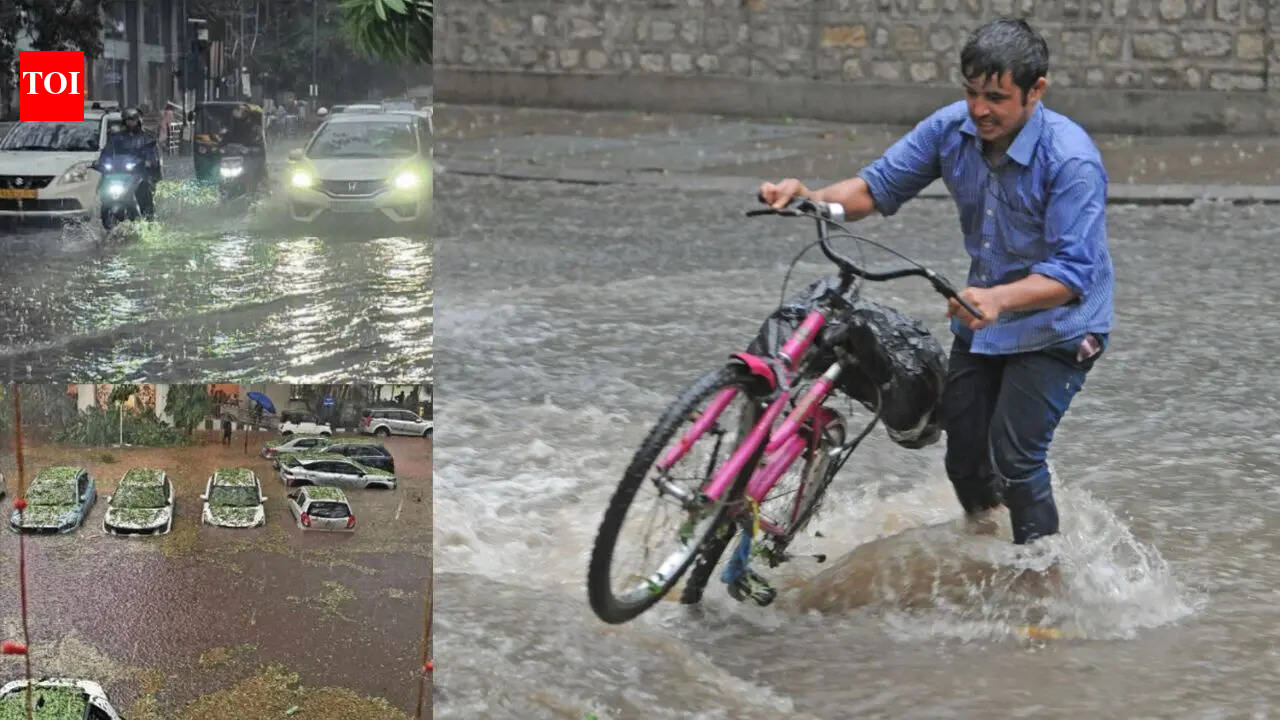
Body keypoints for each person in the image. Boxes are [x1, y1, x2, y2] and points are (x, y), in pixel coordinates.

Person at [755, 17, 1114, 595]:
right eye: (971, 92)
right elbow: (873, 189)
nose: (980, 110)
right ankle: (989, 550)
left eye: (996, 97)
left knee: (1017, 457)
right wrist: (812, 199)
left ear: (1036, 91)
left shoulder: (1070, 159)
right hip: (981, 317)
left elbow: (1073, 274)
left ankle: (1045, 590)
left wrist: (998, 298)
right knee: (965, 457)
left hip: (1060, 326)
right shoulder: (952, 130)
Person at [97, 107, 161, 219]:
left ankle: (148, 218)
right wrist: (101, 163)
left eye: (132, 119)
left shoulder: (146, 138)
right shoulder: (117, 137)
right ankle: (104, 210)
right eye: (127, 119)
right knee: (103, 188)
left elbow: (151, 152)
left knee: (144, 190)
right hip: (119, 173)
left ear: (138, 120)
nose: (130, 121)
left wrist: (148, 161)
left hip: (139, 173)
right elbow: (107, 152)